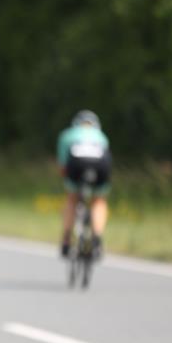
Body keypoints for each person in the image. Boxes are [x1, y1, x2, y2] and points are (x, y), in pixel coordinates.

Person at [57, 110, 111, 258]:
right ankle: (97, 238)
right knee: (99, 200)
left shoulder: (68, 135)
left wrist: (71, 186)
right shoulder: (102, 137)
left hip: (76, 163)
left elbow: (63, 168)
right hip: (100, 165)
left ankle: (67, 240)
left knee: (71, 198)